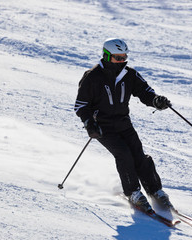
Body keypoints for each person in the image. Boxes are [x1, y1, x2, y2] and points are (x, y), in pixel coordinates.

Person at [74, 38, 172, 212]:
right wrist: (89, 123)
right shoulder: (92, 77)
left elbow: (145, 92)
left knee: (139, 155)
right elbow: (81, 105)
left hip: (123, 123)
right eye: (117, 58)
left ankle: (155, 190)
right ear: (106, 56)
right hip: (102, 127)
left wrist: (156, 100)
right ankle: (133, 193)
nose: (121, 61)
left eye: (124, 57)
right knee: (124, 154)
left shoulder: (129, 74)